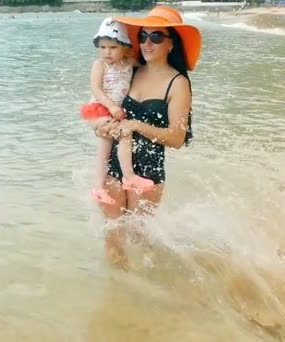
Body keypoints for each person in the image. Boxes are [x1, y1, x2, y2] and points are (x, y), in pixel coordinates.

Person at [90, 5, 202, 267]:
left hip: (147, 171)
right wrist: (99, 127)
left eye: (156, 37)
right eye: (142, 36)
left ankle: (159, 293)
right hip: (115, 165)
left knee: (142, 240)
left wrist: (138, 125)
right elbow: (106, 105)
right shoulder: (132, 70)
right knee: (113, 238)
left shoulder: (178, 83)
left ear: (172, 43)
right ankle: (121, 298)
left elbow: (177, 138)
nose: (147, 43)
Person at [80, 17, 155, 206]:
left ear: (125, 47)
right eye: (103, 47)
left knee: (110, 144)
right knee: (120, 135)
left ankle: (102, 186)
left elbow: (146, 66)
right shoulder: (100, 65)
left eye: (113, 48)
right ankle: (125, 177)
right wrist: (112, 106)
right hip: (99, 108)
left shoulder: (129, 62)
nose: (107, 52)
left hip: (114, 111)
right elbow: (96, 89)